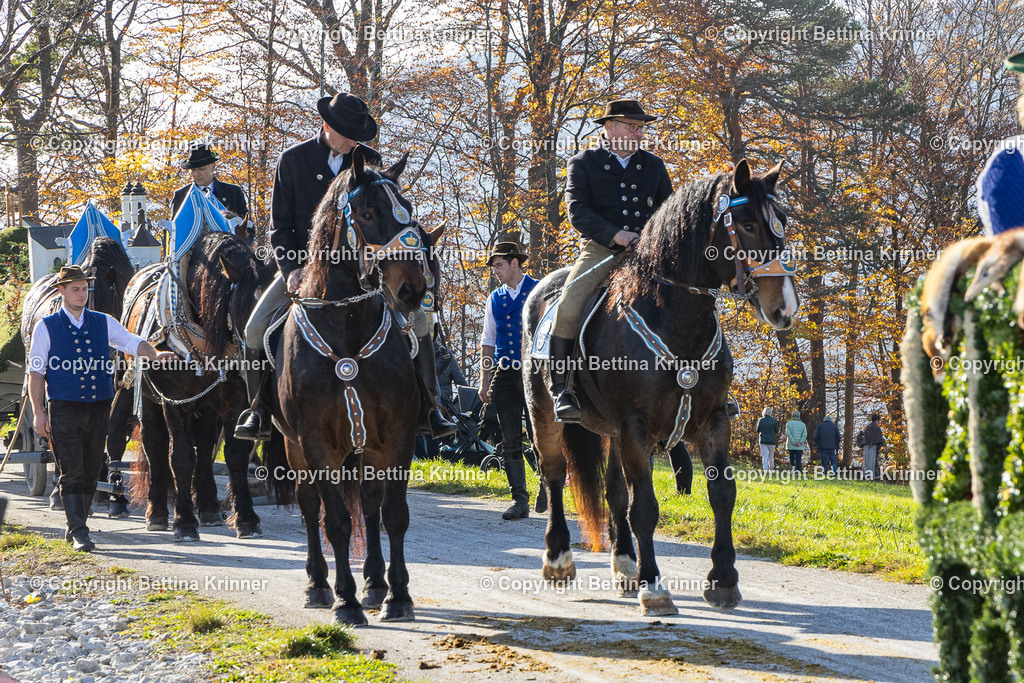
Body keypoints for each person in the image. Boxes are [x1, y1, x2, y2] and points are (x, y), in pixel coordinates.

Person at [233, 92, 454, 441]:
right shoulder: (293, 160)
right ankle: (258, 410)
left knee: (420, 320)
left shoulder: (371, 161)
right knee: (255, 329)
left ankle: (431, 407)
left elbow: (386, 221)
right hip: (304, 267)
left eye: (358, 135)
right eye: (349, 133)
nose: (354, 141)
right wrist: (291, 268)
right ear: (327, 126)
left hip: (365, 269)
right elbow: (280, 226)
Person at [26, 266, 177, 552]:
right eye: (75, 289)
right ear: (62, 291)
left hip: (98, 408)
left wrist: (154, 354)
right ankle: (79, 531)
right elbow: (35, 372)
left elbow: (130, 341)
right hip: (64, 408)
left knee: (93, 468)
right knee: (71, 470)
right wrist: (38, 412)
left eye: (84, 289)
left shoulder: (103, 322)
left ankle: (76, 526)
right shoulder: (46, 326)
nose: (82, 294)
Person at [549, 99, 674, 422]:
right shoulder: (583, 162)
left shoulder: (654, 166)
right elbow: (577, 212)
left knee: (692, 296)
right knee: (568, 305)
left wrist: (652, 241)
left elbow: (669, 212)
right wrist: (616, 234)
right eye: (632, 126)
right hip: (601, 249)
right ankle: (562, 388)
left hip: (649, 252)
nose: (638, 133)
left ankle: (708, 382)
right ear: (610, 127)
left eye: (641, 127)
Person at [479, 242, 539, 520]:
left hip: (537, 371)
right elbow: (488, 342)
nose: (496, 271)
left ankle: (548, 487)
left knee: (541, 437)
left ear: (515, 263)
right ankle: (520, 501)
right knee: (509, 439)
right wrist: (484, 381)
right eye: (493, 267)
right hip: (505, 373)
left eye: (499, 265)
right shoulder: (494, 298)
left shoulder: (540, 289)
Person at [171, 143, 249, 236]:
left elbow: (247, 228)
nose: (196, 174)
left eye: (201, 169)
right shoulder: (181, 195)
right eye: (193, 170)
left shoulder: (233, 193)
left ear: (213, 167)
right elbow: (174, 230)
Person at [861, 413, 886, 480]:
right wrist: (884, 445)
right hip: (873, 447)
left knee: (866, 462)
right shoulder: (876, 428)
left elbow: (863, 436)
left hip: (866, 447)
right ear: (877, 420)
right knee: (873, 462)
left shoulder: (867, 427)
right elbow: (879, 438)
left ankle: (865, 475)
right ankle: (875, 476)